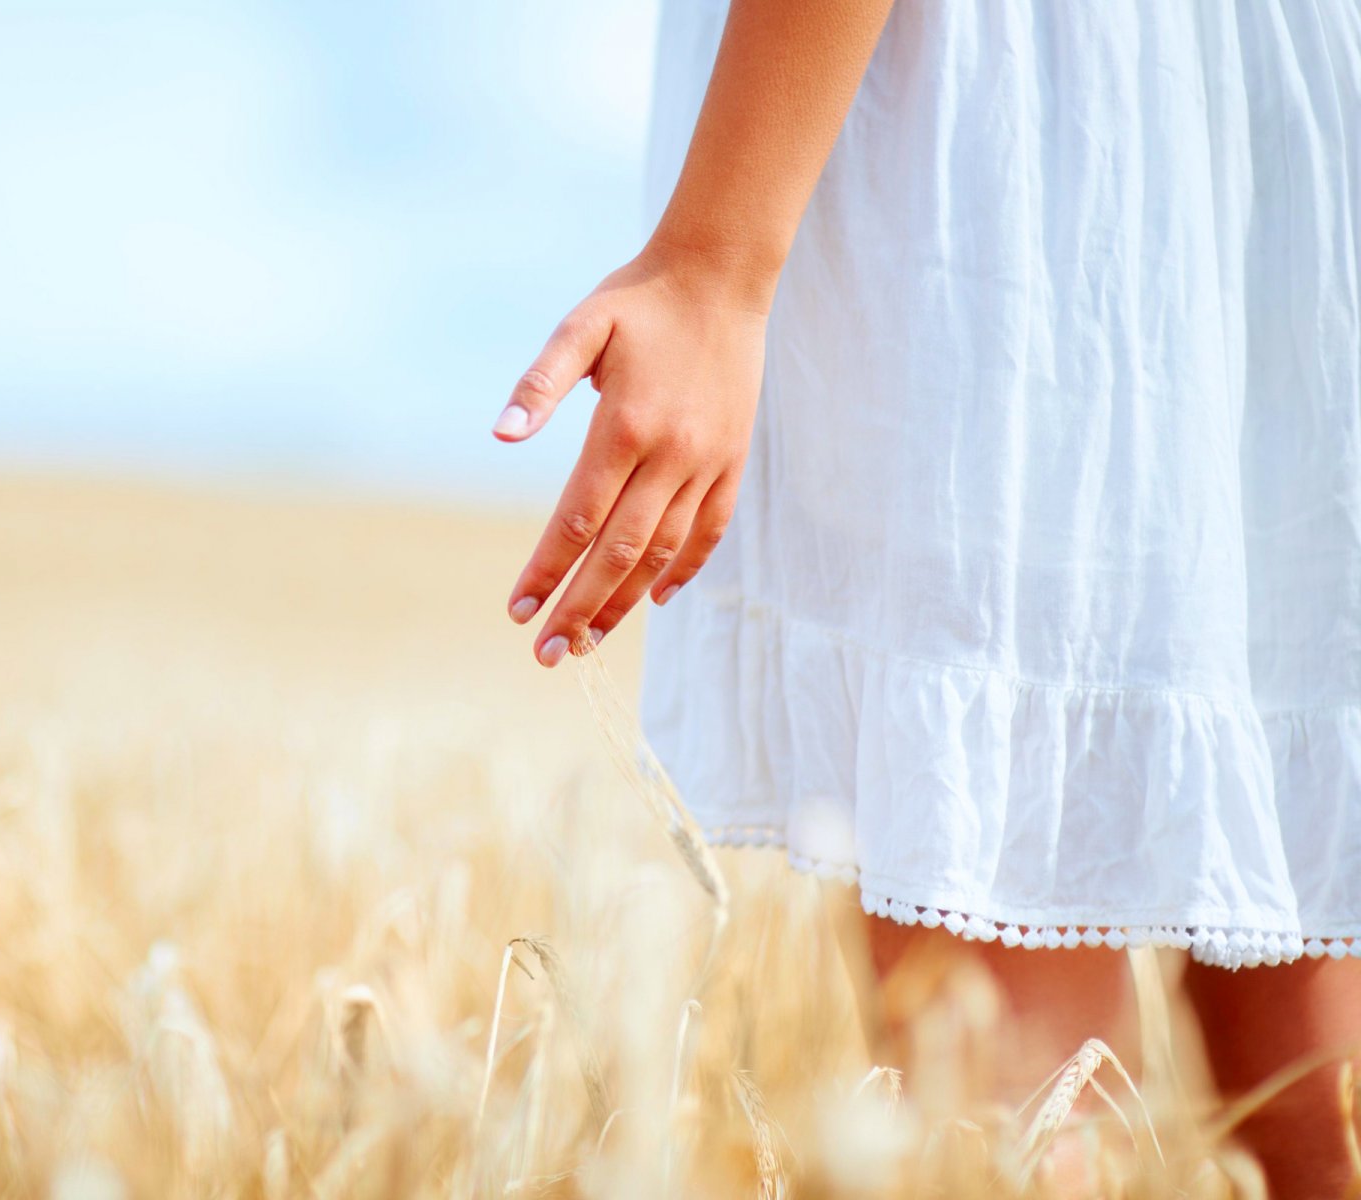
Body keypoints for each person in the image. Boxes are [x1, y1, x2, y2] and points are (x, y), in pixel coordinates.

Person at [493, 2, 1361, 1194]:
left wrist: (716, 259)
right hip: (1262, 111)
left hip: (1022, 178)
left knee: (1006, 1119)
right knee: (1311, 1053)